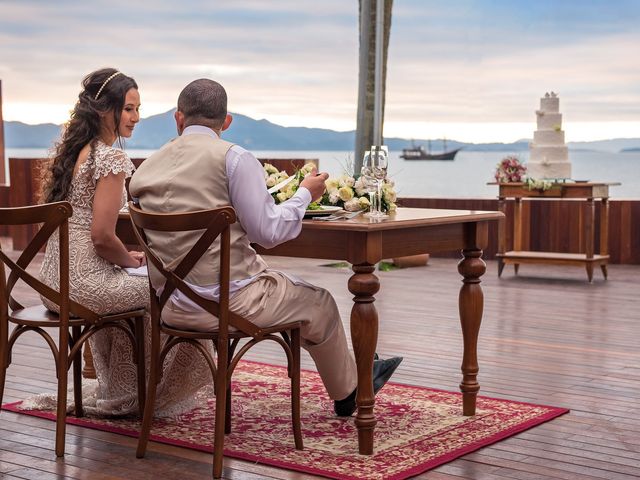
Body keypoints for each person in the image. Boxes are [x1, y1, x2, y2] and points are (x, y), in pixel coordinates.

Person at [129, 78, 402, 416]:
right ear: (226, 121)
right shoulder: (234, 159)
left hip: (170, 305)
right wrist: (305, 194)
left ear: (178, 117)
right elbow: (268, 232)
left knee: (302, 299)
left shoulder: (147, 167)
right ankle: (350, 391)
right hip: (230, 304)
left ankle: (354, 370)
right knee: (321, 302)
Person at [36, 68, 211, 417]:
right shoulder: (110, 158)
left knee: (134, 286)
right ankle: (141, 393)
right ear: (105, 109)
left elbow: (93, 236)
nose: (136, 117)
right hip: (81, 286)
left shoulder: (73, 154)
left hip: (51, 283)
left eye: (138, 108)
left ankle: (123, 384)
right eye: (129, 108)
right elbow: (102, 237)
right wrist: (130, 260)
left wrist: (121, 258)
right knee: (168, 289)